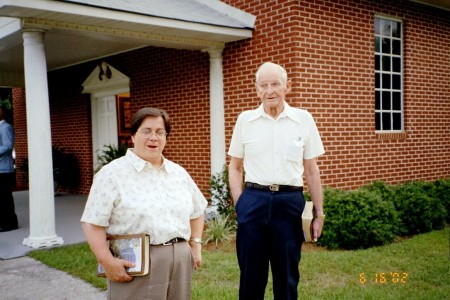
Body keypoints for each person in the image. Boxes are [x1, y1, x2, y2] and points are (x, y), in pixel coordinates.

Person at [81, 107, 207, 300]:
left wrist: (195, 245)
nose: (153, 138)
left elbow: (197, 210)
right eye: (146, 131)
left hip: (180, 260)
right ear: (132, 135)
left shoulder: (178, 173)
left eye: (160, 132)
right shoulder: (112, 174)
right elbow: (92, 222)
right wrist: (106, 260)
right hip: (136, 263)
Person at [228, 62, 325, 300]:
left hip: (289, 202)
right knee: (251, 278)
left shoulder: (303, 119)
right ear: (257, 89)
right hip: (253, 200)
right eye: (264, 85)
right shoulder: (245, 120)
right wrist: (241, 203)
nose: (270, 90)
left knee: (287, 278)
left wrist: (319, 213)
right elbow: (235, 167)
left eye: (275, 84)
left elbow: (311, 171)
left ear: (287, 87)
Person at [0, 106, 18, 232]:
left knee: (5, 198)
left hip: (4, 170)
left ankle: (10, 223)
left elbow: (7, 146)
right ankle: (3, 222)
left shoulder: (5, 127)